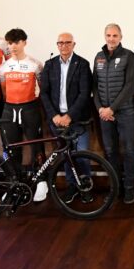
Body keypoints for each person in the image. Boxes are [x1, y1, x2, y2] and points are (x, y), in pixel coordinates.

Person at [40, 32, 93, 204]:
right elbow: (44, 93)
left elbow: (85, 94)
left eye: (67, 42)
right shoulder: (49, 65)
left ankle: (85, 187)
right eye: (60, 43)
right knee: (66, 156)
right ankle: (72, 187)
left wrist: (69, 116)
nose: (64, 46)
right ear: (57, 45)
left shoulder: (82, 64)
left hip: (77, 119)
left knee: (82, 155)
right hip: (57, 120)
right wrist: (54, 115)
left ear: (73, 44)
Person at [0, 29, 47, 202]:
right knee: (12, 148)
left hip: (30, 108)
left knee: (36, 146)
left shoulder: (36, 64)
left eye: (17, 42)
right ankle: (15, 183)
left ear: (24, 43)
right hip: (10, 109)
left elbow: (42, 88)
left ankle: (41, 181)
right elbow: (4, 91)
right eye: (10, 43)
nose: (13, 46)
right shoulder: (3, 67)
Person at [93, 23, 134, 204]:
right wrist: (100, 109)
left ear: (120, 37)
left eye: (115, 36)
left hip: (125, 112)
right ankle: (115, 187)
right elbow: (94, 86)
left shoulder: (128, 56)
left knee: (128, 150)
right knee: (110, 151)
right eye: (108, 35)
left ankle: (129, 188)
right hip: (104, 114)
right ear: (105, 36)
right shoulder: (99, 57)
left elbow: (130, 85)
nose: (111, 39)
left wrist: (112, 108)